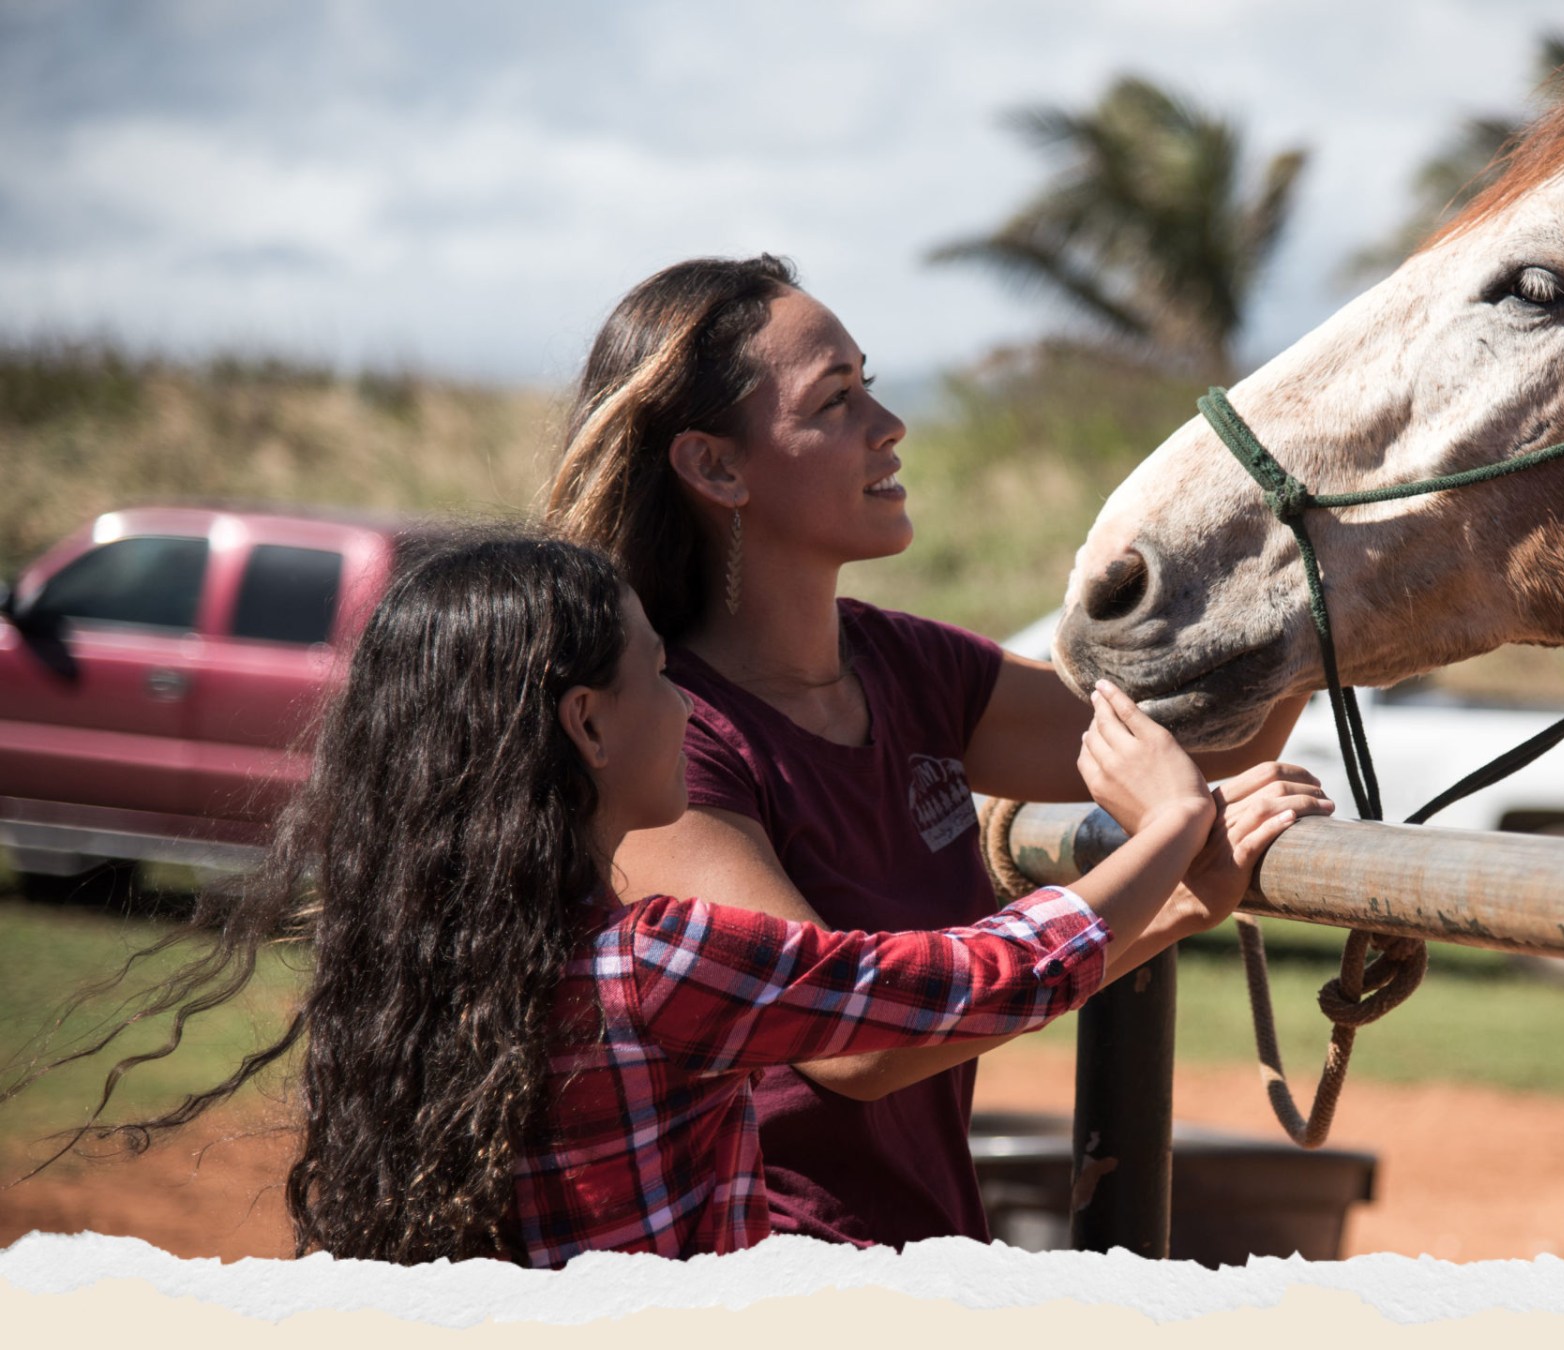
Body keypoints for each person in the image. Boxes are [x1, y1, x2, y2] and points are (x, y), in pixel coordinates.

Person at [3, 535, 1320, 1266]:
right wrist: (1167, 822)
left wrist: (1173, 902)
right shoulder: (659, 961)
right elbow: (969, 981)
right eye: (653, 681)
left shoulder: (422, 959)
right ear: (585, 721)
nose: (687, 706)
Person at [543, 254, 1323, 1250]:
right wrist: (1165, 854)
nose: (888, 424)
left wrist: (1337, 580)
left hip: (926, 1253)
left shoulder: (909, 666)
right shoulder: (669, 743)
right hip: (779, 1272)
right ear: (716, 467)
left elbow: (1209, 748)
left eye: (869, 382)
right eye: (836, 400)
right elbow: (854, 1045)